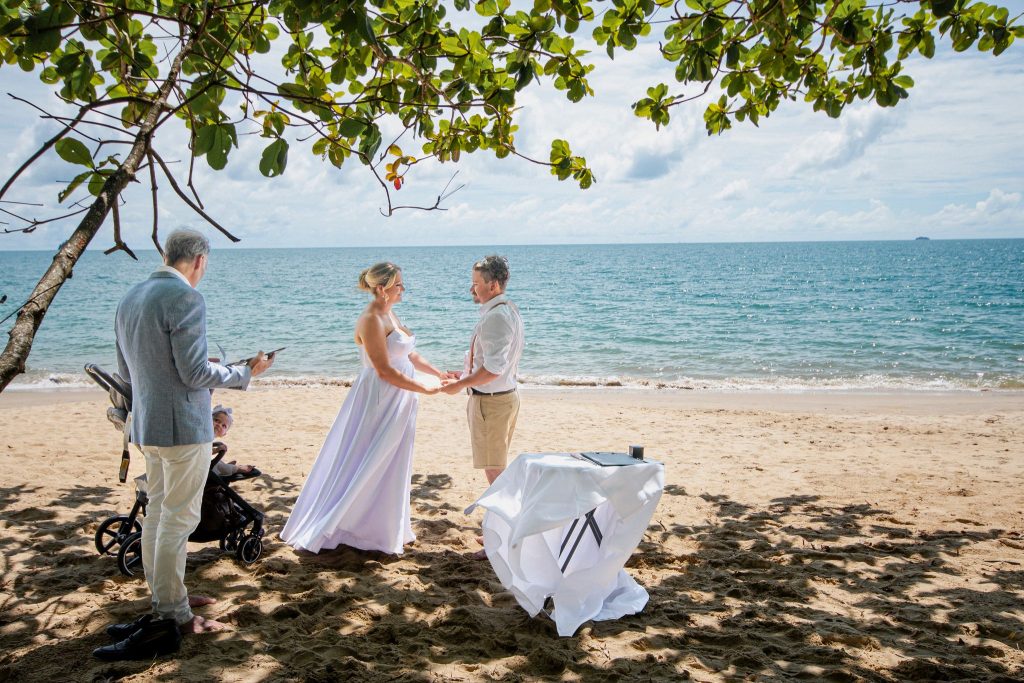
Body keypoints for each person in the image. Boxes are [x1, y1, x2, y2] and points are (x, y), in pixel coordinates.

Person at [94, 229, 274, 661]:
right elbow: (194, 374)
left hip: (148, 425)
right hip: (183, 430)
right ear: (199, 261)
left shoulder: (130, 298)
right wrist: (244, 373)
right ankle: (173, 613)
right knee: (177, 520)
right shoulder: (186, 298)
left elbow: (130, 372)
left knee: (158, 517)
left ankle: (167, 598)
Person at [280, 262, 444, 555]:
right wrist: (423, 388)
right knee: (371, 456)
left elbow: (409, 353)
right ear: (382, 289)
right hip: (381, 397)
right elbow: (383, 370)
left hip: (401, 396)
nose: (403, 289)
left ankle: (387, 526)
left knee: (394, 458)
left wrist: (439, 374)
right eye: (398, 284)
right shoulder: (371, 320)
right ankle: (352, 525)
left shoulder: (389, 312)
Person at [441, 254, 525, 495]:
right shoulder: (507, 309)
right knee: (495, 465)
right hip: (501, 398)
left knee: (494, 469)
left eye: (476, 284)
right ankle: (506, 515)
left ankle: (507, 517)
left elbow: (493, 369)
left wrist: (461, 384)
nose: (472, 289)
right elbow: (496, 363)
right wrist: (464, 375)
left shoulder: (497, 316)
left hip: (492, 404)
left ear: (493, 285)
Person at [210, 405, 259, 479]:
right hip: (201, 466)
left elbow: (206, 450)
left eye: (223, 426)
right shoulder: (204, 437)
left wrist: (215, 450)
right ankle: (237, 469)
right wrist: (216, 450)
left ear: (224, 434)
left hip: (205, 460)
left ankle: (228, 467)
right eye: (216, 420)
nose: (219, 425)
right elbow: (204, 451)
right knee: (219, 466)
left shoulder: (208, 438)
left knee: (218, 462)